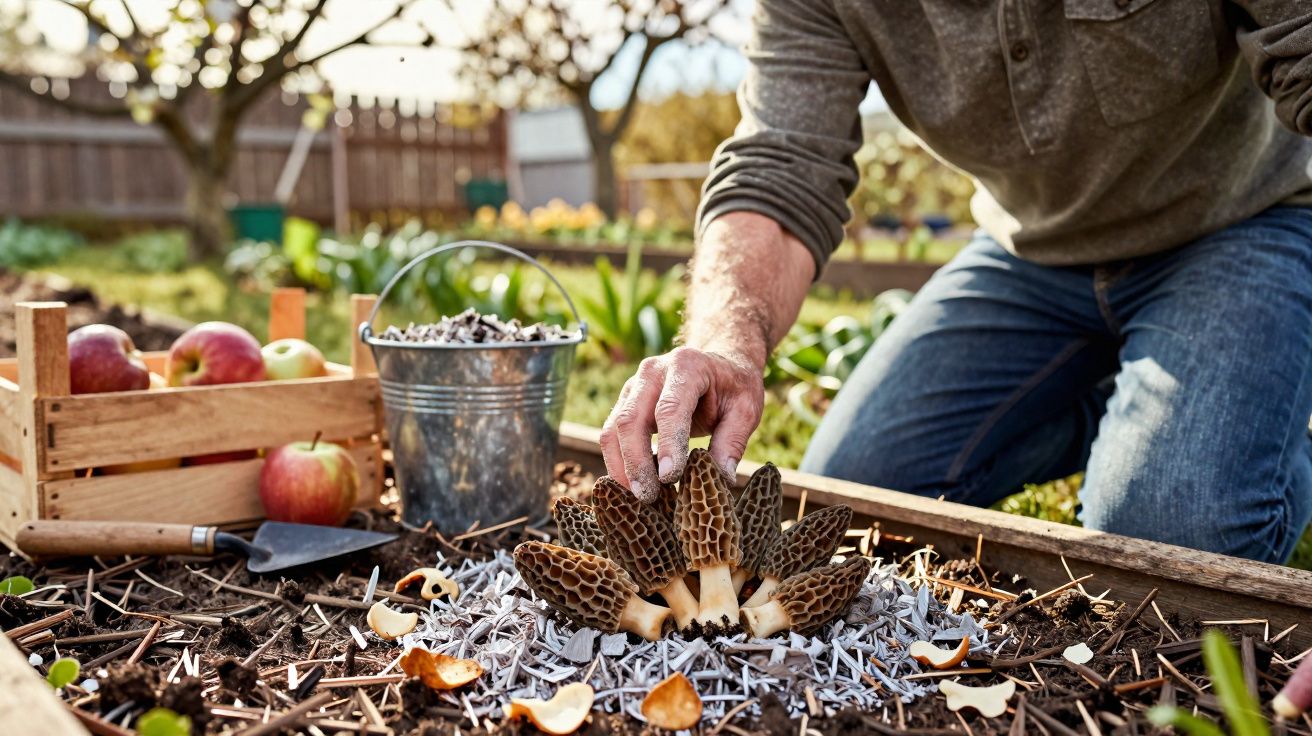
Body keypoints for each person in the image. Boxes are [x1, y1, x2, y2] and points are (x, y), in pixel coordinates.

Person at [599, 0, 1312, 564]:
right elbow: (781, 167)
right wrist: (725, 346)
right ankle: (1127, 406)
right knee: (857, 493)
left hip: (1243, 220)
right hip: (1029, 254)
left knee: (1164, 536)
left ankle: (1269, 427)